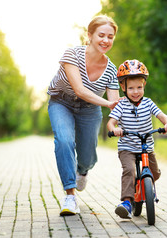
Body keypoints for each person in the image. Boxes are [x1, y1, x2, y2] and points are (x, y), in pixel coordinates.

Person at [47, 15, 120, 216]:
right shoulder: (72, 54)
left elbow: (116, 104)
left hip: (90, 109)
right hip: (61, 102)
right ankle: (70, 196)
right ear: (89, 35)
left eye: (110, 37)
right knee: (64, 140)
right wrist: (107, 103)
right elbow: (79, 90)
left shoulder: (112, 70)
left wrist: (123, 122)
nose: (106, 40)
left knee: (87, 156)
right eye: (101, 35)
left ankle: (83, 170)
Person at [107, 59, 167, 219]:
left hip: (146, 146)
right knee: (129, 171)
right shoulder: (121, 105)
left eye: (139, 87)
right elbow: (111, 122)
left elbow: (161, 115)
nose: (135, 91)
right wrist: (115, 130)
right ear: (123, 87)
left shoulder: (148, 103)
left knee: (155, 173)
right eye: (131, 88)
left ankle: (142, 185)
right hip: (127, 148)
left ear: (144, 85)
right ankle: (127, 203)